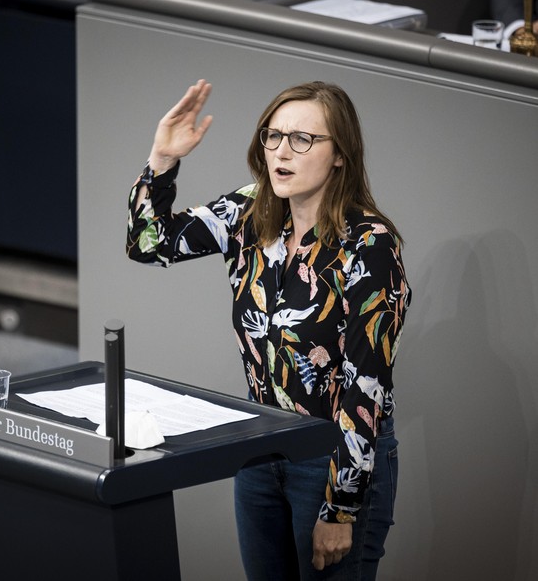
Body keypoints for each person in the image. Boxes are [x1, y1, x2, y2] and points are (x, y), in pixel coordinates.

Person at [126, 79, 411, 580]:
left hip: (331, 461)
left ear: (340, 155)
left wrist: (340, 509)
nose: (282, 151)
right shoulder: (250, 210)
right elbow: (149, 244)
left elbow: (365, 388)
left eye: (302, 139)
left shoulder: (369, 245)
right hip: (258, 449)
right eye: (272, 136)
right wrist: (162, 160)